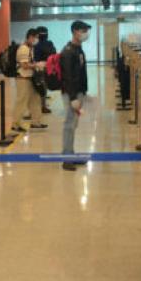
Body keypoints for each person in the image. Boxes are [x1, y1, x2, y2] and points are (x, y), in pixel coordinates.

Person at [60, 21, 90, 171]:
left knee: (73, 125)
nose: (86, 34)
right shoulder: (68, 51)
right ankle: (67, 159)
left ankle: (70, 154)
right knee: (69, 125)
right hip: (71, 93)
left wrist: (83, 92)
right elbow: (67, 77)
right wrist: (73, 98)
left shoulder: (78, 49)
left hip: (78, 92)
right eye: (83, 31)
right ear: (75, 32)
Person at [12, 28, 46, 132]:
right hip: (23, 78)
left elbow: (28, 63)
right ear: (30, 37)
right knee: (22, 101)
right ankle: (16, 124)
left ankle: (36, 122)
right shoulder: (24, 49)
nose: (36, 40)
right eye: (35, 38)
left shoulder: (29, 48)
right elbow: (24, 65)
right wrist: (37, 65)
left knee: (35, 100)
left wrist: (36, 64)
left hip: (30, 78)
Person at [34, 26, 56, 114]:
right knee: (44, 88)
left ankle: (40, 106)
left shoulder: (36, 45)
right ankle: (43, 106)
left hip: (38, 68)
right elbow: (54, 54)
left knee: (39, 88)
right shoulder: (50, 43)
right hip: (48, 68)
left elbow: (35, 58)